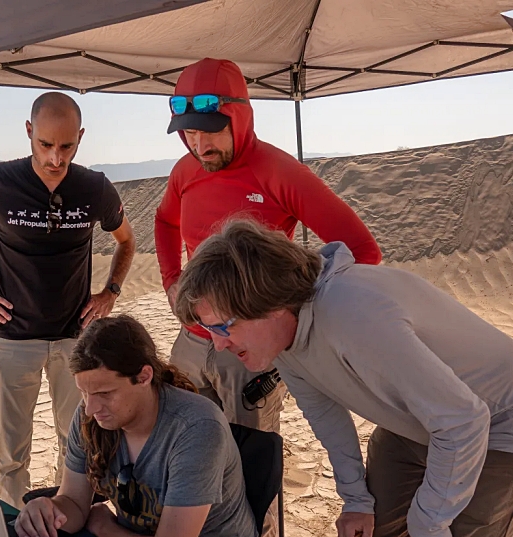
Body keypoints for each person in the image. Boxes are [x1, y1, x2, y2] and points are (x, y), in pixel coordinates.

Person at [174, 221, 513, 537]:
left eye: (223, 327)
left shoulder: (354, 314)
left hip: (499, 426)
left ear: (268, 303)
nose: (219, 345)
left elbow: (464, 421)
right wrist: (356, 498)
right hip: (416, 420)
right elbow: (326, 415)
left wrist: (431, 522)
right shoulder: (284, 336)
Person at [0, 92, 136, 507]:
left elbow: (126, 241)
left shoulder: (95, 187)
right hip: (12, 341)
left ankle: (67, 520)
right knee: (12, 453)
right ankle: (16, 526)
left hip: (76, 341)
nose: (56, 158)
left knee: (77, 445)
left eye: (67, 146)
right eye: (45, 144)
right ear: (28, 131)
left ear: (81, 137)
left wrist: (110, 292)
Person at [154, 57, 382, 434]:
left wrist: (297, 318)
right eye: (189, 133)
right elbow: (164, 220)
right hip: (191, 340)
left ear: (239, 117)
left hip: (249, 352)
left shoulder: (279, 172)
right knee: (189, 446)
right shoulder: (185, 171)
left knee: (252, 458)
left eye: (211, 131)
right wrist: (171, 280)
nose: (200, 145)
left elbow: (363, 251)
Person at [14, 314, 258, 537]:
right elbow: (74, 503)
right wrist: (48, 513)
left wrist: (103, 526)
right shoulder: (91, 416)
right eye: (84, 393)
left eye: (105, 393)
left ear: (144, 377)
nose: (91, 408)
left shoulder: (196, 428)